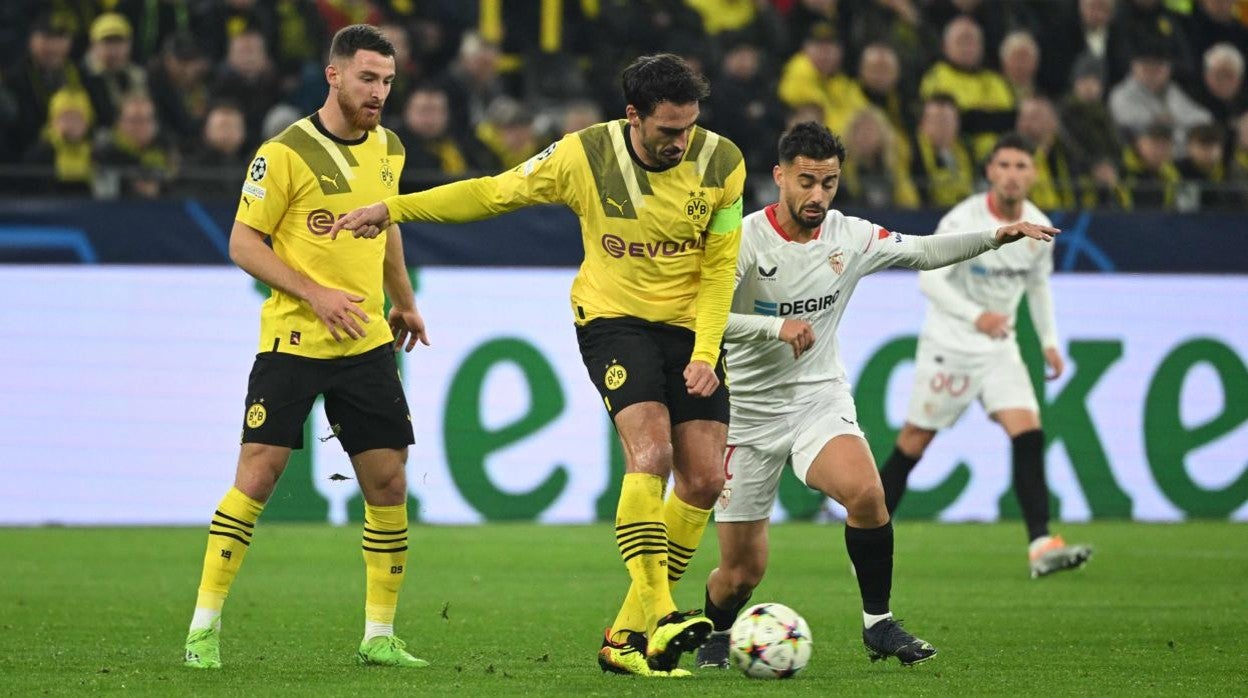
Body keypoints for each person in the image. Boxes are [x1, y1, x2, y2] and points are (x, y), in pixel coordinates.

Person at [329, 53, 746, 678]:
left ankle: (623, 640)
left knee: (706, 481)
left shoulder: (725, 164)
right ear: (632, 117)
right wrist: (395, 207)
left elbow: (719, 270)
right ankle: (662, 614)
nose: (680, 142)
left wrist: (708, 353)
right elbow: (492, 194)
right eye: (666, 130)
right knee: (651, 457)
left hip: (690, 329)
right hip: (614, 320)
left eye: (688, 127)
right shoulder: (583, 156)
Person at [691, 122, 1060, 670]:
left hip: (818, 397)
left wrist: (994, 236)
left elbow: (923, 251)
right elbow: (708, 316)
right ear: (779, 177)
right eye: (807, 182)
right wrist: (776, 329)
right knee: (742, 573)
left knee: (866, 495)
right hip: (746, 415)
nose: (818, 196)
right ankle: (717, 632)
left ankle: (878, 624)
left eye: (830, 183)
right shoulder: (743, 239)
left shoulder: (850, 236)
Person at [181, 24, 430, 671]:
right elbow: (243, 242)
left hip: (367, 342)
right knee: (258, 476)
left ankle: (378, 633)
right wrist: (315, 293)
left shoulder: (390, 148)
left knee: (388, 482)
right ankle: (203, 627)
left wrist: (401, 299)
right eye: (368, 78)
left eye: (386, 81)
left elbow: (388, 228)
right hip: (294, 340)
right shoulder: (284, 152)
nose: (378, 92)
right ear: (334, 75)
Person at [878, 134, 1094, 580]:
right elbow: (928, 280)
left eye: (1022, 166)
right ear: (991, 172)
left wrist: (1050, 341)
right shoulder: (963, 219)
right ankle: (865, 528)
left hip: (999, 348)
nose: (1013, 174)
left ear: (1033, 174)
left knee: (1028, 431)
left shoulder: (1038, 226)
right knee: (914, 441)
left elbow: (1038, 286)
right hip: (951, 344)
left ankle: (1040, 543)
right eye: (1005, 165)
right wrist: (977, 317)